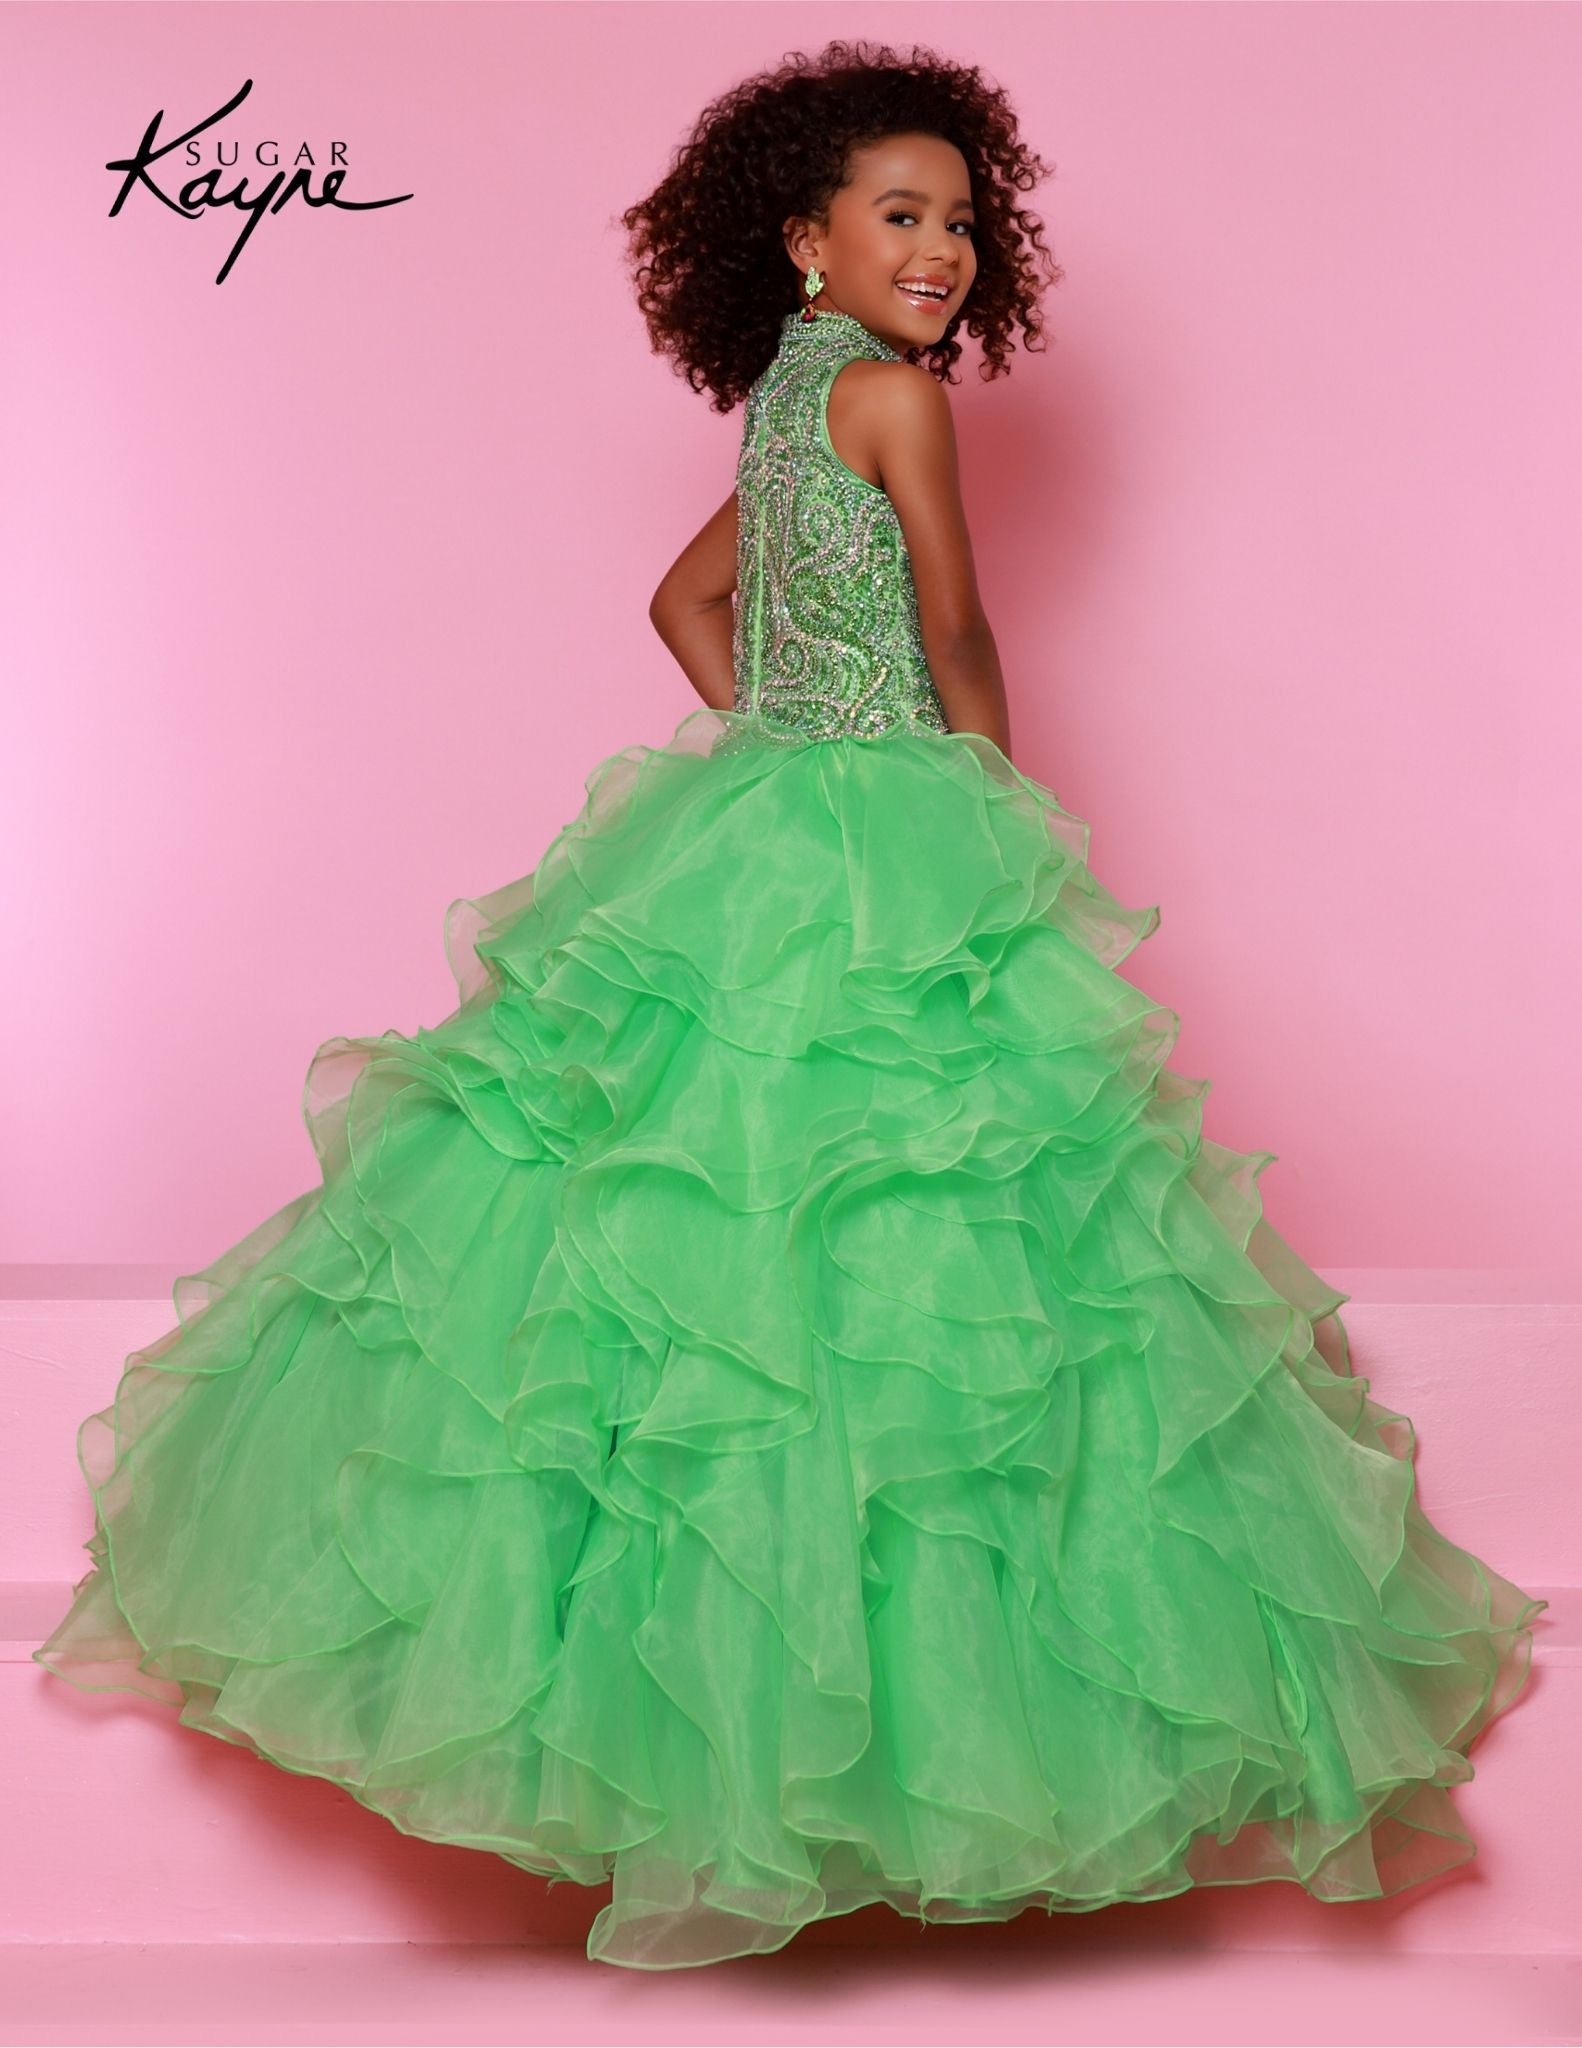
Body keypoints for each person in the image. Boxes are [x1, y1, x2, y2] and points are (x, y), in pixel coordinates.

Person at [35, 39, 1547, 1973]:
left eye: (962, 223)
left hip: (760, 818)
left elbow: (686, 604)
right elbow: (958, 623)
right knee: (936, 1206)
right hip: (901, 817)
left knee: (717, 1211)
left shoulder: (782, 397)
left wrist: (786, 739)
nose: (941, 251)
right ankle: (926, 1734)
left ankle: (708, 1734)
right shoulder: (897, 399)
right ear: (803, 238)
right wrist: (989, 813)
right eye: (900, 216)